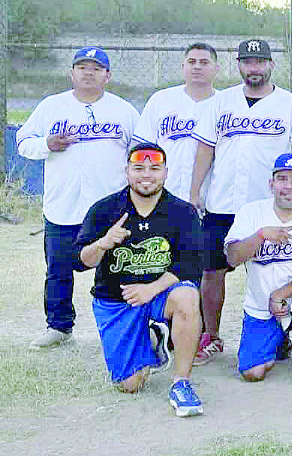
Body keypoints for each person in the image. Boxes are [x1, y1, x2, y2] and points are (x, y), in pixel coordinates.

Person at [189, 38, 292, 365]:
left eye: (260, 62)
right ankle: (212, 334)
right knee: (212, 271)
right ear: (239, 65)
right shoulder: (221, 102)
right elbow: (206, 147)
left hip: (270, 205)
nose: (254, 68)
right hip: (223, 202)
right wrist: (195, 192)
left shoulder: (288, 103)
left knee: (275, 271)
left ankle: (279, 335)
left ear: (270, 65)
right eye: (248, 62)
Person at [16, 46, 140, 350]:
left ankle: (122, 324)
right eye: (82, 67)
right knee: (58, 269)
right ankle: (59, 326)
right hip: (63, 204)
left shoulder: (123, 110)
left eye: (96, 68)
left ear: (107, 76)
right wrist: (47, 143)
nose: (89, 72)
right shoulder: (51, 106)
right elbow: (23, 143)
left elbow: (140, 150)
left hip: (110, 208)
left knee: (118, 266)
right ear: (71, 73)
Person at [75, 143, 204, 417]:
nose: (147, 175)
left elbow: (191, 266)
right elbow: (81, 261)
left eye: (155, 168)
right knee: (130, 385)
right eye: (139, 168)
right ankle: (155, 338)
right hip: (115, 300)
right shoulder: (104, 209)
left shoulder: (183, 212)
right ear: (127, 171)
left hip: (160, 293)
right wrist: (103, 243)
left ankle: (181, 383)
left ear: (166, 173)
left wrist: (151, 289)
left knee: (188, 296)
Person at [224, 153, 292, 387]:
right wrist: (261, 235)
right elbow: (232, 258)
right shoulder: (251, 212)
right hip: (261, 303)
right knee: (252, 373)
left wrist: (281, 294)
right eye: (282, 178)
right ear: (271, 184)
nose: (289, 186)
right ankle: (279, 339)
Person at [133, 42, 220, 202]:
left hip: (210, 197)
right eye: (191, 62)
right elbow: (144, 148)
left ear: (216, 69)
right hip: (163, 193)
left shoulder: (224, 104)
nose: (197, 67)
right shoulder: (161, 100)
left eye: (204, 62)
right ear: (183, 67)